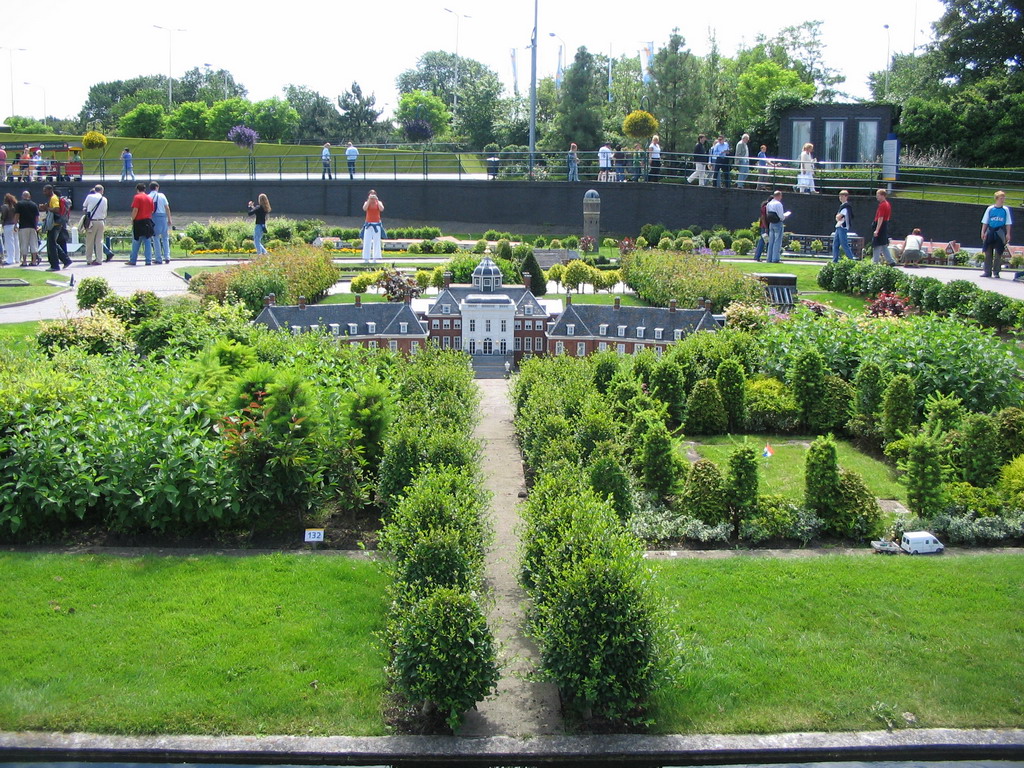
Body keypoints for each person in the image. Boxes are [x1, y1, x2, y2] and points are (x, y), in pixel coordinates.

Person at [981, 190, 1013, 278]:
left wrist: (1008, 234)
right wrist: (983, 232)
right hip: (990, 231)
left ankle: (996, 272)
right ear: (997, 199)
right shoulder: (990, 209)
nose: (1003, 200)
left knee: (999, 253)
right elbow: (985, 221)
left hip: (1000, 231)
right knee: (988, 252)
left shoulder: (1005, 209)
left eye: (1004, 198)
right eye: (1001, 198)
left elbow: (1008, 223)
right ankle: (987, 272)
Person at [41, 185, 71, 271]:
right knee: (53, 244)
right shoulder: (53, 198)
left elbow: (57, 209)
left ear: (50, 190)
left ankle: (55, 265)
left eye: (45, 191)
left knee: (51, 245)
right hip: (56, 224)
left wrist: (47, 208)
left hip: (55, 225)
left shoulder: (54, 198)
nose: (44, 193)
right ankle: (66, 260)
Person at [129, 182, 155, 266]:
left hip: (138, 222)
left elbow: (135, 209)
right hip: (147, 221)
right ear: (145, 189)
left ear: (137, 190)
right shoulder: (149, 198)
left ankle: (133, 260)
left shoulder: (137, 197)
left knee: (136, 241)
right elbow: (152, 210)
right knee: (147, 241)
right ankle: (148, 260)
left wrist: (132, 219)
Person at [81, 185, 108, 266]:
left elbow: (84, 207)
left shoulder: (89, 196)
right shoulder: (104, 199)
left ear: (95, 190)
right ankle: (99, 260)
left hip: (91, 222)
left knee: (89, 241)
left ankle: (89, 259)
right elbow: (105, 211)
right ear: (102, 190)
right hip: (101, 221)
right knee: (99, 241)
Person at [871, 188, 897, 265]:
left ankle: (875, 262)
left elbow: (880, 218)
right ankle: (891, 261)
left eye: (878, 195)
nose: (876, 197)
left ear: (882, 195)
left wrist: (877, 230)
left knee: (877, 244)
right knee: (883, 244)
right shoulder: (887, 204)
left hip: (881, 226)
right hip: (885, 225)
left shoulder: (882, 205)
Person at [149, 182, 172, 264]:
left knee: (156, 238)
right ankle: (167, 257)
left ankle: (158, 258)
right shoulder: (162, 195)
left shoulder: (149, 196)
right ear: (157, 187)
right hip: (163, 217)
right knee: (165, 237)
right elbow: (167, 208)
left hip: (153, 217)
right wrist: (169, 219)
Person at [15, 191, 40, 266]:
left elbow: (17, 215)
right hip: (32, 227)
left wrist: (15, 224)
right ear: (29, 196)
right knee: (33, 244)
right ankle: (34, 261)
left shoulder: (19, 204)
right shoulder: (34, 204)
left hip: (23, 226)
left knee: (24, 244)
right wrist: (36, 226)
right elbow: (37, 217)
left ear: (22, 196)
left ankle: (24, 261)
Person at [832, 189, 856, 262]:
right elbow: (837, 217)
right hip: (838, 227)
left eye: (842, 196)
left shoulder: (846, 207)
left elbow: (839, 217)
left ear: (846, 197)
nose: (840, 198)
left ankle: (851, 259)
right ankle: (835, 260)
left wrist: (837, 217)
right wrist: (837, 217)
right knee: (835, 244)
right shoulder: (842, 206)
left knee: (844, 244)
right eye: (840, 196)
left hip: (842, 227)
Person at [361, 190, 385, 263]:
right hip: (368, 224)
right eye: (371, 195)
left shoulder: (378, 202)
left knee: (376, 241)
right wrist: (369, 200)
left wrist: (377, 200)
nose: (372, 196)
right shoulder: (367, 202)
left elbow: (382, 209)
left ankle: (375, 258)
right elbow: (364, 208)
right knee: (367, 241)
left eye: (374, 194)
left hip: (376, 224)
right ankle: (366, 258)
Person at [766, 190, 787, 264]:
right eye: (781, 196)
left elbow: (767, 213)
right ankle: (775, 259)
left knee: (771, 241)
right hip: (778, 223)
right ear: (778, 196)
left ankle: (769, 258)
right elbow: (781, 215)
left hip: (771, 223)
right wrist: (784, 217)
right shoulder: (778, 204)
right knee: (777, 241)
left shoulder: (769, 204)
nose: (781, 197)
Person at [1, 194, 18, 266]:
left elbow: (3, 216)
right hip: (16, 225)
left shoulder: (5, 206)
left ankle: (11, 259)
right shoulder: (15, 206)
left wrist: (2, 221)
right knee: (16, 242)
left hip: (8, 225)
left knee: (9, 243)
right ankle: (17, 258)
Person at [753, 195, 770, 262]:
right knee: (763, 241)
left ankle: (758, 256)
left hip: (764, 227)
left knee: (765, 241)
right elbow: (763, 218)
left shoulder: (765, 207)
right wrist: (766, 227)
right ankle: (757, 257)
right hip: (765, 227)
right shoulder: (765, 207)